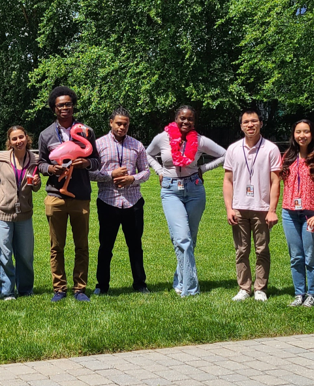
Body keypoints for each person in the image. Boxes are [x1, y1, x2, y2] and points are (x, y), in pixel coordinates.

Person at [146, 105, 225, 297]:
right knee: (182, 238)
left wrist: (203, 168)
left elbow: (225, 154)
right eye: (182, 118)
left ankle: (180, 280)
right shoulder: (162, 138)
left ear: (194, 122)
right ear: (175, 118)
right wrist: (159, 171)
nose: (186, 122)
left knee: (190, 239)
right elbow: (147, 154)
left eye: (190, 119)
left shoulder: (200, 140)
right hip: (171, 191)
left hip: (195, 189)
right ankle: (190, 288)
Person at [37, 86, 101, 302]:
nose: (64, 108)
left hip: (81, 195)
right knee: (57, 246)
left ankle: (80, 288)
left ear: (73, 106)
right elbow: (41, 164)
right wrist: (52, 170)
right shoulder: (46, 134)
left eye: (68, 104)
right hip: (56, 196)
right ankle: (59, 288)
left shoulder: (86, 131)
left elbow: (96, 160)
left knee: (82, 245)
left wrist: (86, 163)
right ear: (54, 109)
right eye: (60, 105)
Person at [89, 107, 151, 296]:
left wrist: (132, 179)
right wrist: (110, 175)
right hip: (108, 202)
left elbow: (146, 171)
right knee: (105, 246)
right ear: (111, 123)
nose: (122, 127)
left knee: (135, 245)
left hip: (133, 202)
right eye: (118, 123)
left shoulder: (137, 145)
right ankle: (102, 285)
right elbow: (89, 173)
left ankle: (140, 283)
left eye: (125, 124)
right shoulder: (98, 144)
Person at [222, 109, 281, 302]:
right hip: (239, 207)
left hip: (262, 208)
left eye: (254, 121)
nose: (250, 125)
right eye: (246, 122)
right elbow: (228, 180)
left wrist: (272, 210)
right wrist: (229, 208)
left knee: (262, 249)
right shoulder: (233, 149)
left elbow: (275, 181)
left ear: (260, 124)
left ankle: (260, 288)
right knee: (241, 250)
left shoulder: (271, 149)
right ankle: (244, 288)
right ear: (241, 126)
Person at [0, 125, 41, 300]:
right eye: (14, 139)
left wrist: (36, 183)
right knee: (4, 254)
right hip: (2, 213)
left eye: (21, 137)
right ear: (9, 142)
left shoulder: (35, 160)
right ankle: (7, 291)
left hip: (24, 213)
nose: (18, 141)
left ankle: (25, 289)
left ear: (27, 138)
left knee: (25, 254)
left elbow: (36, 187)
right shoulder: (1, 159)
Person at [280, 120, 314, 307]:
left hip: (312, 212)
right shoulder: (287, 156)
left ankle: (312, 294)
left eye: (306, 132)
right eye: (298, 132)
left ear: (313, 134)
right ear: (293, 135)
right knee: (296, 256)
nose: (302, 135)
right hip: (290, 212)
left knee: (311, 255)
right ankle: (299, 293)